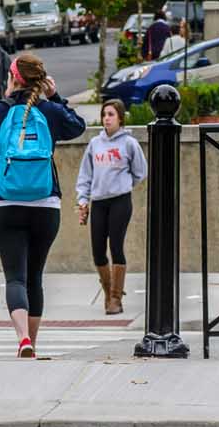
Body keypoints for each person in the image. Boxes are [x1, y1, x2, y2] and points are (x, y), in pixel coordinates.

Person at [0, 51, 84, 359]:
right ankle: (33, 339)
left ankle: (22, 339)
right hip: (46, 205)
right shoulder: (49, 111)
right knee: (35, 275)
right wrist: (55, 95)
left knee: (15, 276)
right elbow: (78, 127)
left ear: (12, 79)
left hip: (5, 205)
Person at [76, 98, 146, 316]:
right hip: (99, 202)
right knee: (98, 250)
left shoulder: (129, 144)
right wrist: (83, 199)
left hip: (120, 201)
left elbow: (140, 172)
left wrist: (124, 186)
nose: (106, 118)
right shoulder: (95, 144)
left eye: (111, 114)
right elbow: (85, 174)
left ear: (120, 118)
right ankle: (108, 293)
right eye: (104, 114)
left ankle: (115, 299)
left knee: (116, 247)